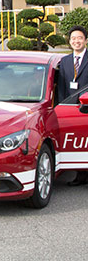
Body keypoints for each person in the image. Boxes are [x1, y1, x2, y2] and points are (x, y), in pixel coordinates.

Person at [57, 25, 88, 186]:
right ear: (70, 42)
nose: (77, 41)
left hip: (87, 107)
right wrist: (63, 106)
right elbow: (61, 86)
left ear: (85, 40)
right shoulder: (65, 61)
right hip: (70, 108)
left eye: (80, 38)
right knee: (76, 141)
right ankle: (80, 176)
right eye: (73, 38)